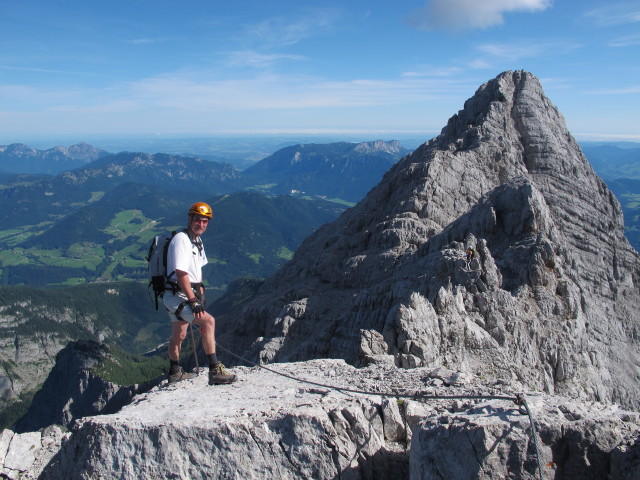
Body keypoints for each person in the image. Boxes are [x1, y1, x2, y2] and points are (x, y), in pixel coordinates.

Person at [163, 201, 237, 385]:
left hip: (183, 294)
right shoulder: (181, 240)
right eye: (198, 220)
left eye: (205, 221)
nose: (201, 224)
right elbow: (181, 273)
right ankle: (214, 370)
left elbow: (198, 272)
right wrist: (193, 300)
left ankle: (174, 372)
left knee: (179, 335)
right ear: (190, 219)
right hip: (177, 296)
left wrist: (200, 294)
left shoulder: (197, 241)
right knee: (209, 321)